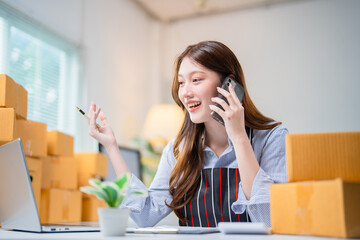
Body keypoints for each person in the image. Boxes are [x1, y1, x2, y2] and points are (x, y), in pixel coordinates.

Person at [88, 40, 288, 228]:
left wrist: (238, 137)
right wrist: (111, 146)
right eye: (182, 82)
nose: (185, 92)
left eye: (196, 80)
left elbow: (271, 218)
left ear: (229, 84)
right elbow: (145, 215)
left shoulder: (272, 138)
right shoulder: (178, 150)